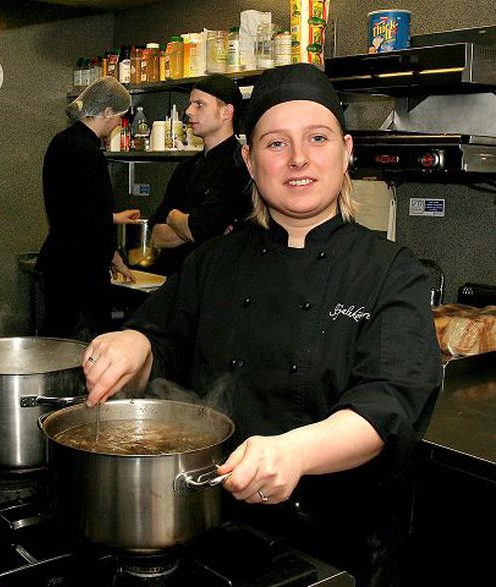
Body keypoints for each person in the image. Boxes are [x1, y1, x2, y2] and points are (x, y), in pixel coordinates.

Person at [80, 64, 443, 586]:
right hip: (206, 525)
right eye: (276, 144)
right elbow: (160, 342)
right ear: (249, 160)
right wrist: (132, 344)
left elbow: (391, 403)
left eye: (317, 139)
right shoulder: (213, 261)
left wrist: (293, 451)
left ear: (346, 152)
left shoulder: (390, 272)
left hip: (332, 547)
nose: (298, 159)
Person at [36, 77, 140, 341]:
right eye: (119, 116)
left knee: (57, 347)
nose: (118, 123)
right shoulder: (87, 152)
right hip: (80, 272)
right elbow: (90, 222)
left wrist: (113, 218)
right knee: (84, 350)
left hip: (58, 262)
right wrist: (115, 257)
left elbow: (73, 207)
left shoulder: (62, 141)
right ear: (106, 112)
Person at [148, 74, 253, 275]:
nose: (188, 111)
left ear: (226, 112)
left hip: (217, 282)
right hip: (176, 279)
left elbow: (202, 229)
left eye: (199, 104)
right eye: (190, 104)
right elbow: (158, 235)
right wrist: (188, 224)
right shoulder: (187, 167)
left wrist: (173, 217)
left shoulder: (239, 165)